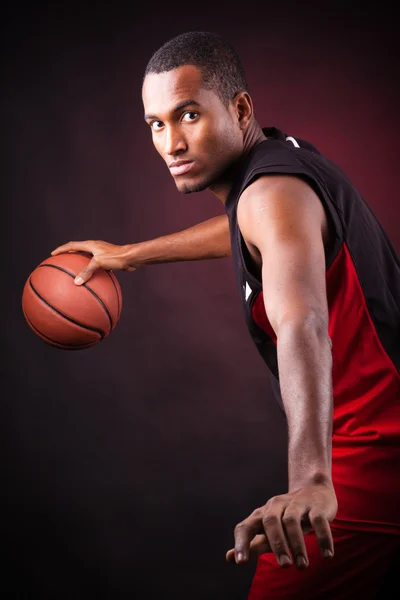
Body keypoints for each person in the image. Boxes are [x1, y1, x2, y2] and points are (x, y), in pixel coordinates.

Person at [51, 31, 400, 599]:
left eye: (188, 115)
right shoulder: (284, 166)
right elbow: (249, 226)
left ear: (239, 108)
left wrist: (311, 479)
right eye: (156, 124)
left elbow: (302, 322)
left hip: (376, 455)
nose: (171, 142)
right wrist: (130, 255)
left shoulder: (268, 196)